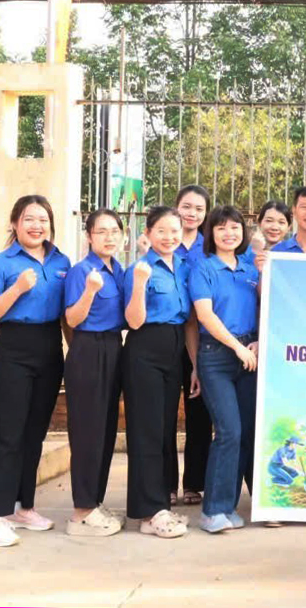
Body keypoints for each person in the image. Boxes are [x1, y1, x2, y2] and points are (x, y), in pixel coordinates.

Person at [0, 195, 71, 547]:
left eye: (43, 219)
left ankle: (21, 507)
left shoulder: (61, 261)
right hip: (14, 347)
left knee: (34, 433)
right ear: (15, 223)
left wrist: (77, 354)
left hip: (49, 346)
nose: (36, 225)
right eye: (29, 219)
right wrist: (17, 289)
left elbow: (66, 315)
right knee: (6, 433)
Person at [190, 205, 261, 534]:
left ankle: (228, 506)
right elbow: (205, 315)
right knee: (228, 431)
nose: (229, 233)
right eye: (221, 228)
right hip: (217, 356)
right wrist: (236, 347)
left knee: (244, 433)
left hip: (249, 354)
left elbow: (264, 305)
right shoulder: (203, 267)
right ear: (211, 233)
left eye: (235, 227)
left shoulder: (250, 266)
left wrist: (257, 341)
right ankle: (212, 511)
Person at [122, 205, 191, 539]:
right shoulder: (140, 269)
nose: (169, 237)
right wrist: (139, 283)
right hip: (145, 350)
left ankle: (161, 503)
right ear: (147, 234)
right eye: (161, 231)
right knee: (146, 430)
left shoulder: (183, 266)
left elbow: (189, 318)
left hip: (174, 351)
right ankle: (148, 513)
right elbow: (133, 321)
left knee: (164, 430)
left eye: (174, 231)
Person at [63, 209, 126, 537]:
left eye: (114, 231)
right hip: (89, 349)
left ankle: (94, 503)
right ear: (89, 236)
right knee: (87, 432)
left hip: (114, 347)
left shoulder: (119, 270)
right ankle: (81, 512)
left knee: (105, 431)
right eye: (101, 231)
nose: (109, 237)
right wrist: (89, 290)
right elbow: (72, 319)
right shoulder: (81, 271)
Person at [173, 184, 213, 507]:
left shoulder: (209, 247)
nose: (192, 213)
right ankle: (165, 484)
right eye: (187, 206)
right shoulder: (163, 240)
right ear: (176, 207)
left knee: (199, 413)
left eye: (199, 209)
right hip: (165, 337)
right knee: (162, 416)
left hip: (200, 338)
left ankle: (194, 483)